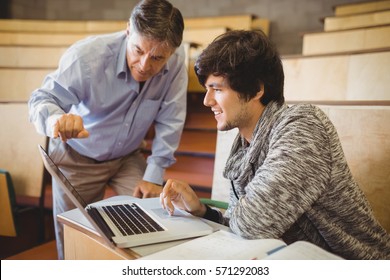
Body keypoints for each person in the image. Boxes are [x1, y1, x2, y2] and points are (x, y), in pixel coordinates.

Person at [160, 29, 390, 260]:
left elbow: (253, 224)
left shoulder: (303, 126)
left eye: (217, 89)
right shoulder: (245, 146)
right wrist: (201, 211)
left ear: (257, 89)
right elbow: (242, 224)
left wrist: (238, 217)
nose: (207, 100)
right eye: (207, 89)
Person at [28, 0, 187, 259]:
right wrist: (55, 120)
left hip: (127, 158)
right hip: (76, 158)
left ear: (172, 52)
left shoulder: (177, 63)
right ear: (127, 31)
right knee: (74, 237)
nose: (145, 65)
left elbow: (171, 120)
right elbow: (41, 100)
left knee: (153, 219)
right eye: (138, 50)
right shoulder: (87, 56)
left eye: (157, 57)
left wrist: (154, 173)